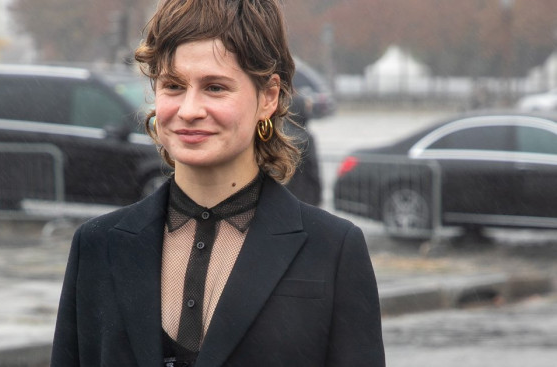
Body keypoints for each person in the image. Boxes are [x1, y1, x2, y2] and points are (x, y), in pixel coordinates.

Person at [51, 0, 385, 366]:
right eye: (174, 86)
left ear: (268, 97)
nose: (190, 110)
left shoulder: (333, 250)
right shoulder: (97, 247)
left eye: (215, 88)